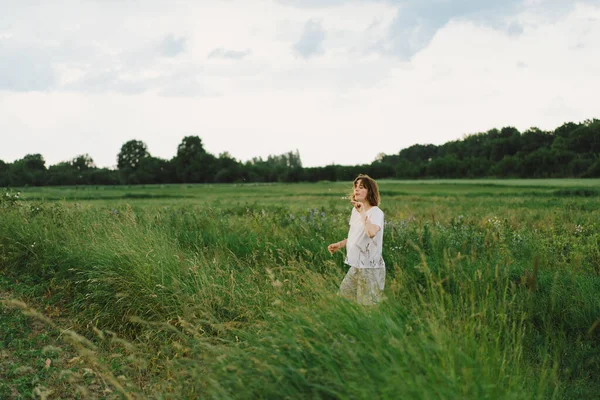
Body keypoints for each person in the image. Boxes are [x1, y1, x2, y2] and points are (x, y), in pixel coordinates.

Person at [328, 174, 385, 305]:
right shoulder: (356, 211)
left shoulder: (376, 212)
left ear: (370, 191)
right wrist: (340, 244)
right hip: (357, 265)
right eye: (356, 187)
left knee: (367, 306)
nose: (357, 190)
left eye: (362, 187)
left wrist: (362, 212)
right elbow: (356, 235)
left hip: (370, 266)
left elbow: (370, 232)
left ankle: (370, 325)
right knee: (344, 297)